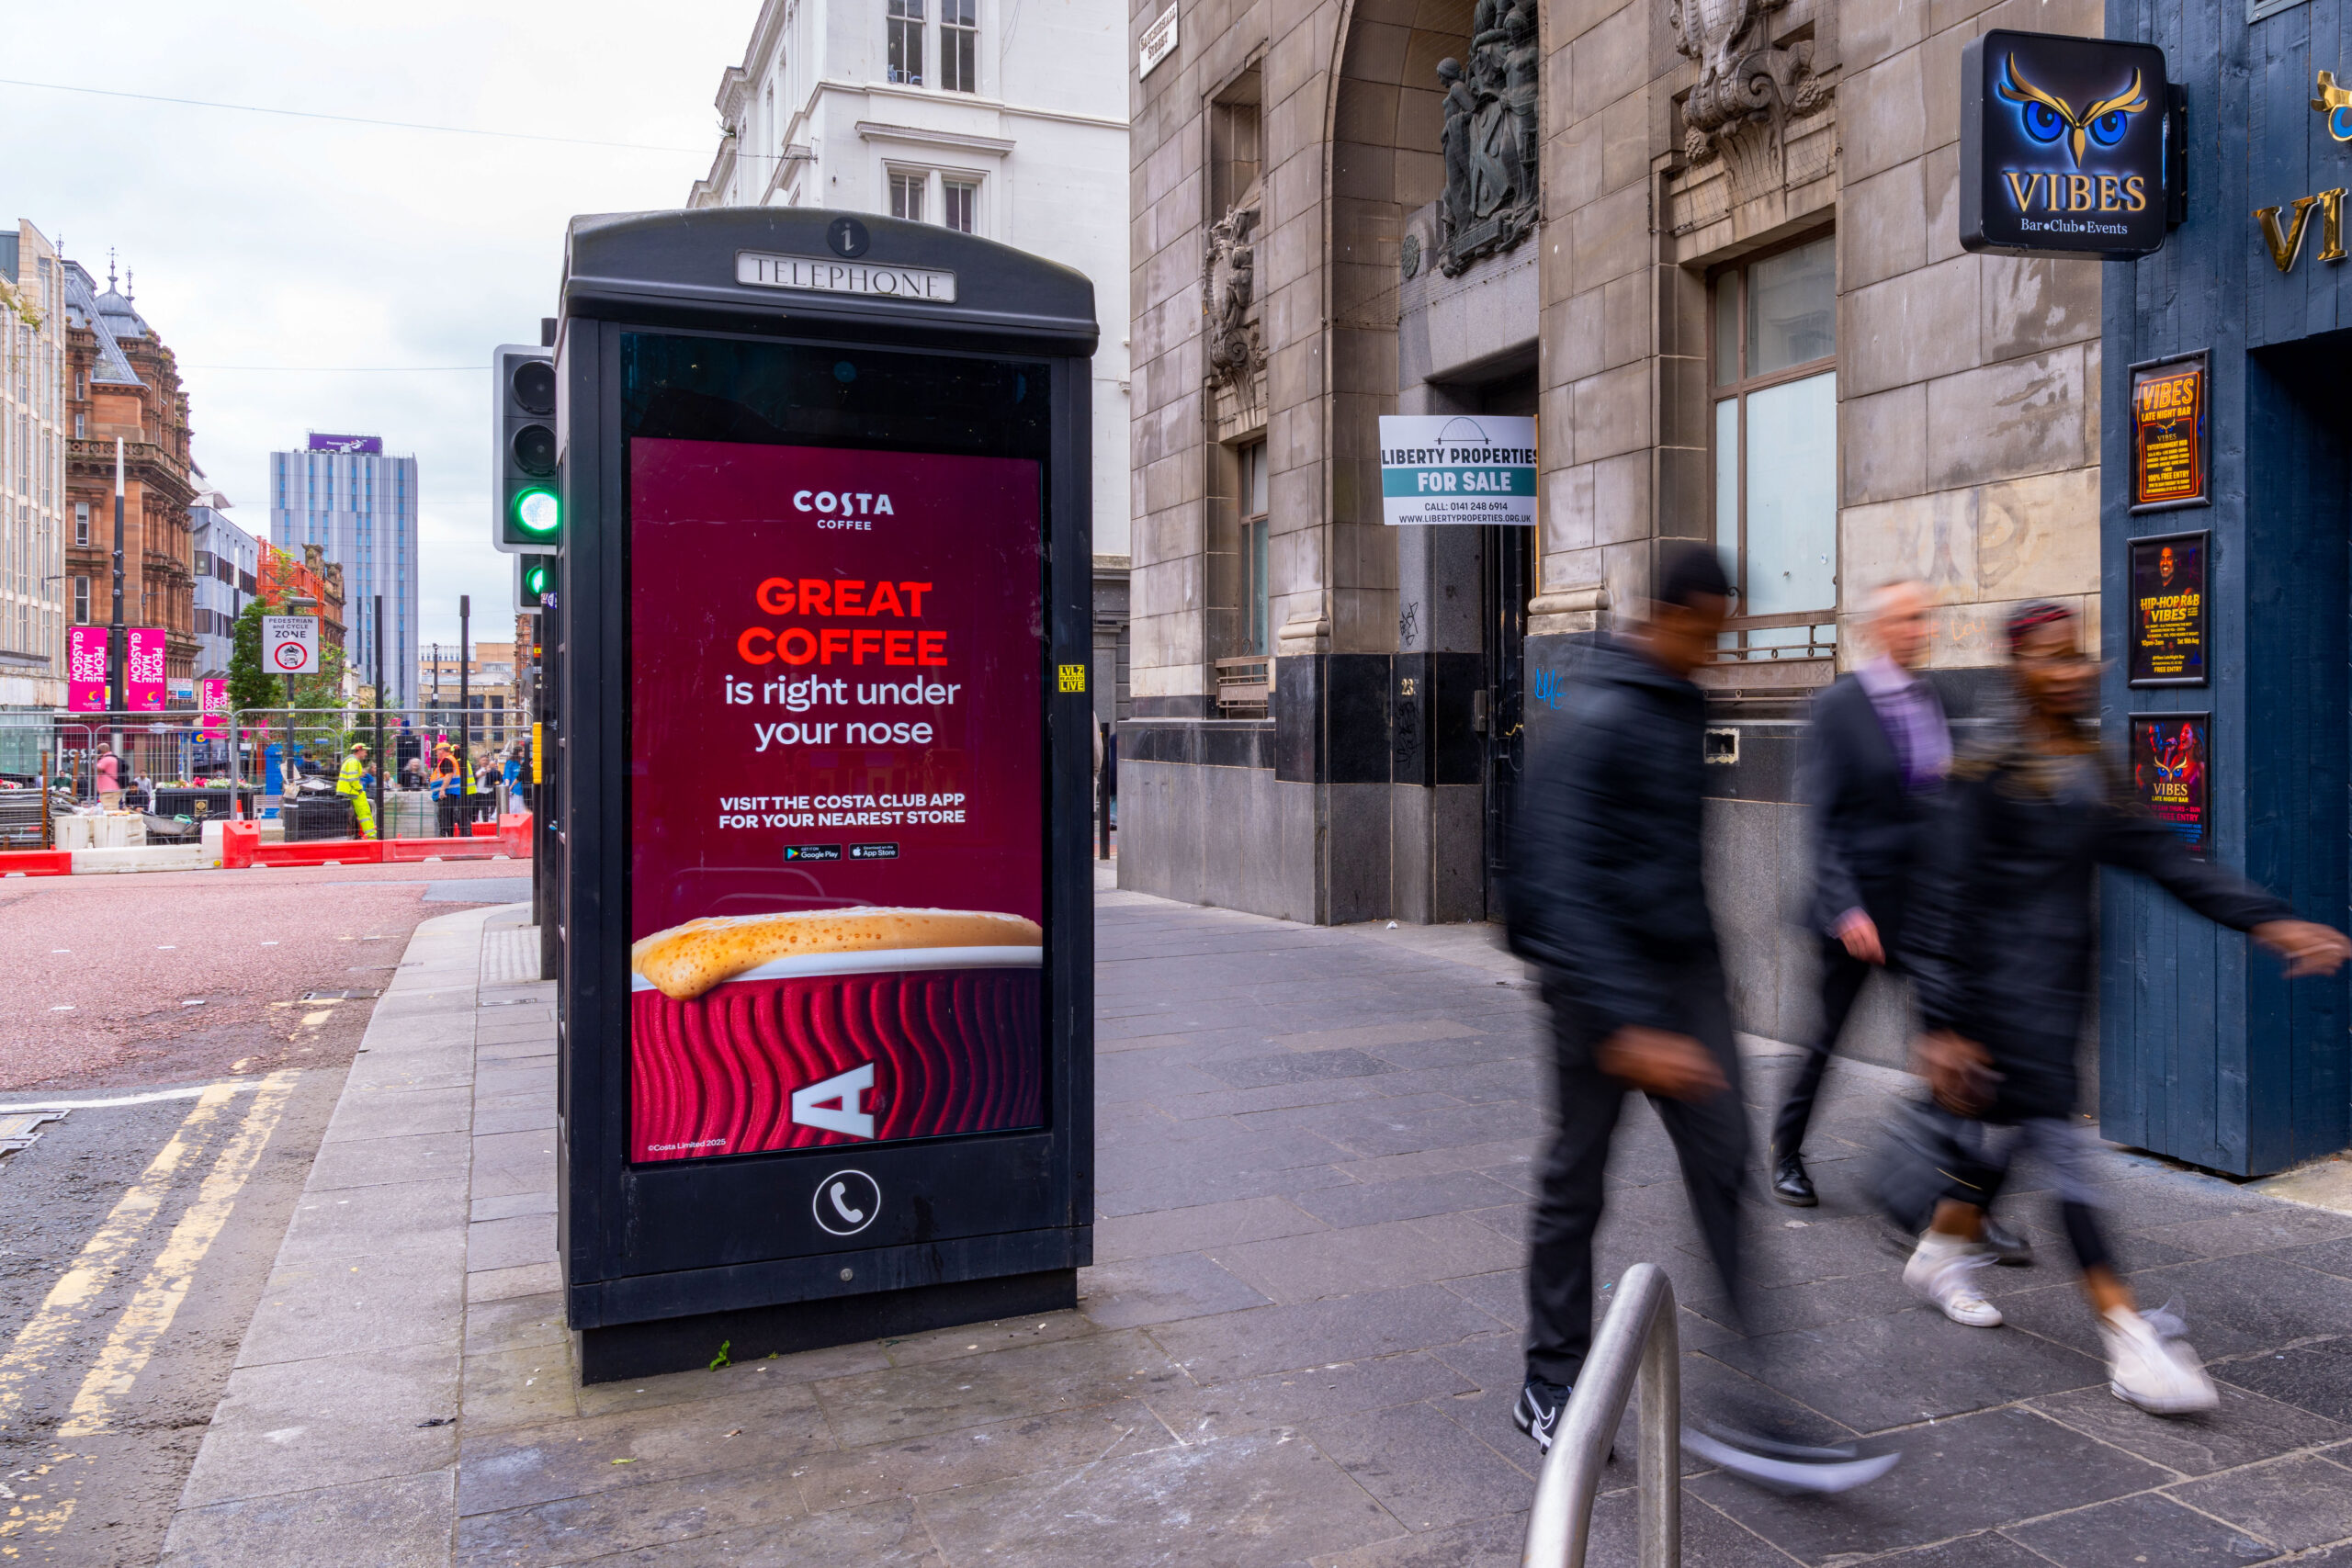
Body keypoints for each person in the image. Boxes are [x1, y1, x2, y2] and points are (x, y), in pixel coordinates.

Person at [1507, 544, 1894, 1492]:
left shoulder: (1684, 707)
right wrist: (1629, 1024)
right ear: (1671, 615)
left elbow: (1673, 868)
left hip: (1680, 985)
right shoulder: (1596, 717)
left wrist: (1702, 993)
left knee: (1724, 1170)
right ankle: (1548, 1382)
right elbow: (1552, 887)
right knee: (1576, 1179)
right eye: (1709, 629)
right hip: (1596, 992)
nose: (1717, 648)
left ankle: (1754, 1405)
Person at [1898, 601, 2350, 1410]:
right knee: (2065, 1162)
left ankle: (1940, 1247)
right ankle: (2127, 1337)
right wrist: (1943, 1026)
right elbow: (1940, 903)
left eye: (2080, 657)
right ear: (2018, 671)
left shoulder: (2092, 774)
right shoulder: (1986, 772)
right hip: (1992, 1003)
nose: (2073, 671)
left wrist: (2272, 921)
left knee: (2005, 1138)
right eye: (2052, 658)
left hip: (2054, 1001)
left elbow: (2174, 866)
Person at [336, 742, 378, 840]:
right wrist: (359, 789)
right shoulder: (353, 762)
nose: (366, 754)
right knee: (365, 813)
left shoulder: (350, 761)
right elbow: (352, 779)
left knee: (363, 814)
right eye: (365, 752)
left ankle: (369, 834)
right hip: (353, 792)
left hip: (349, 791)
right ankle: (371, 836)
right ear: (359, 750)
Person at [431, 744, 464, 837]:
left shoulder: (447, 760)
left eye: (437, 750)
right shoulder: (451, 759)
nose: (436, 753)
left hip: (446, 794)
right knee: (448, 816)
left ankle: (444, 836)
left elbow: (448, 775)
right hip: (450, 793)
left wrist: (442, 790)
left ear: (442, 750)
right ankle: (449, 836)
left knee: (444, 816)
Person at [94, 745, 122, 809]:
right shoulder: (113, 758)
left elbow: (96, 769)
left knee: (108, 810)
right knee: (113, 808)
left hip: (108, 790)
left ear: (102, 750)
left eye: (98, 750)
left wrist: (95, 759)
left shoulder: (106, 759)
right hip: (113, 788)